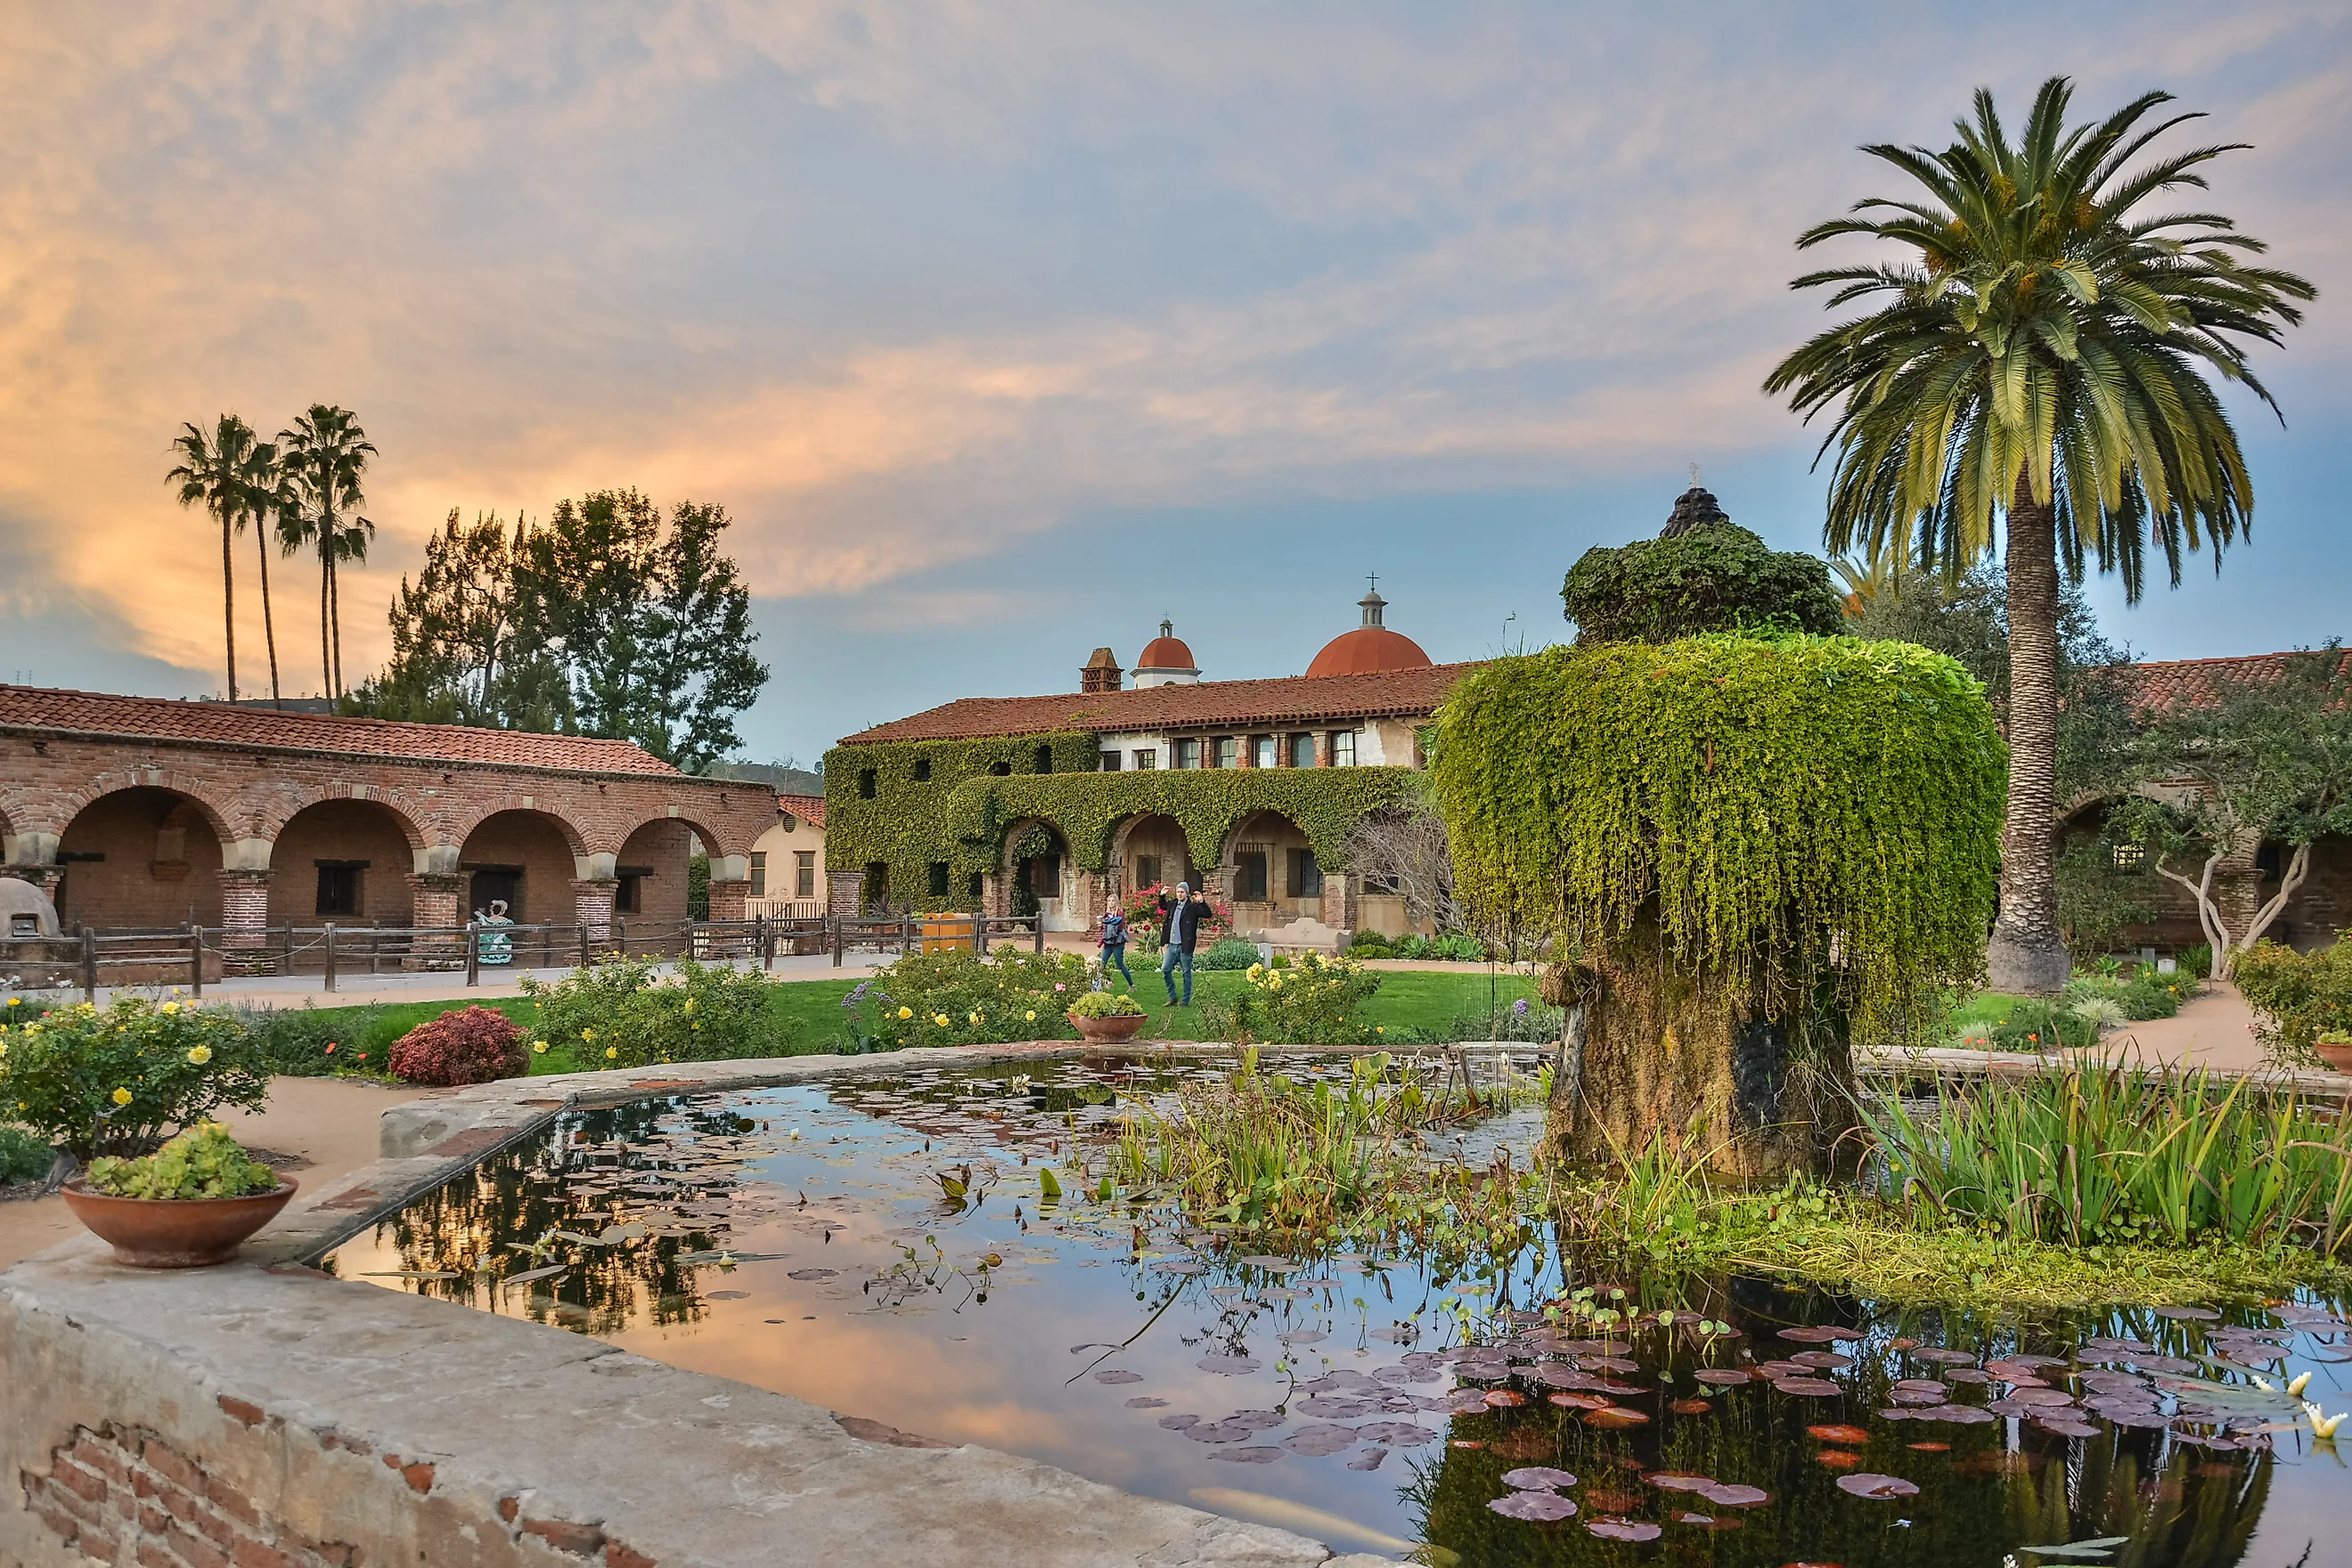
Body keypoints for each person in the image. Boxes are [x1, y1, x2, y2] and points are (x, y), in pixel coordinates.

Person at [1157, 882, 1206, 1006]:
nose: (1180, 894)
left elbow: (1207, 914)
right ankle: (1172, 997)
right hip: (1172, 946)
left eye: (1182, 892)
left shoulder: (1192, 907)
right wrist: (1162, 895)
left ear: (1187, 893)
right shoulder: (1173, 904)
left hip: (1185, 946)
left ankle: (1185, 1001)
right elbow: (1163, 905)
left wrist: (1202, 902)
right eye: (1178, 892)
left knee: (1186, 973)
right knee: (1165, 969)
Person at [1098, 904, 1133, 987]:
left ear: (1116, 902)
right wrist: (1101, 926)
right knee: (1102, 963)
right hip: (1108, 942)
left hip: (1118, 942)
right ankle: (1102, 984)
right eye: (1109, 901)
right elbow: (1104, 930)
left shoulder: (1120, 913)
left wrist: (1108, 921)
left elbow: (1120, 925)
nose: (1111, 902)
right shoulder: (1106, 915)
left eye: (1113, 900)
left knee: (1120, 964)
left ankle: (1132, 985)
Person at [478, 898, 514, 967]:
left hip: (489, 938)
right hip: (500, 938)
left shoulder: (487, 920)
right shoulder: (507, 921)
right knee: (507, 942)